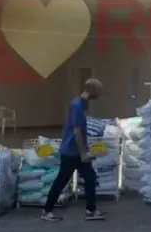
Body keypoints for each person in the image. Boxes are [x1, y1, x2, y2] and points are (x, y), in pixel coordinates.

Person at [41, 78, 106, 222]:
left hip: (75, 151)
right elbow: (77, 132)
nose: (100, 94)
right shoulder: (77, 105)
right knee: (62, 181)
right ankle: (47, 211)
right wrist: (83, 153)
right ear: (91, 90)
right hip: (72, 152)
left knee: (90, 178)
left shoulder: (81, 104)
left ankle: (91, 210)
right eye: (99, 91)